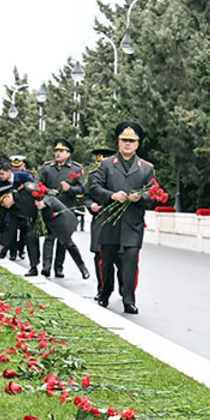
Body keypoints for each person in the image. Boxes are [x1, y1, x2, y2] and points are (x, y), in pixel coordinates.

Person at [88, 123, 155, 314]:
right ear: (118, 142)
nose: (127, 144)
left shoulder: (146, 168)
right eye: (124, 140)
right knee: (107, 262)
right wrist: (111, 195)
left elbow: (152, 193)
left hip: (133, 223)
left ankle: (129, 299)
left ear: (137, 144)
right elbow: (94, 187)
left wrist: (140, 197)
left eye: (131, 141)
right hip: (110, 221)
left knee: (130, 262)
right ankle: (105, 292)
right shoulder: (107, 164)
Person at [38, 139, 90, 279]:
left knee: (64, 240)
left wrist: (69, 189)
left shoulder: (76, 169)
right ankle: (46, 267)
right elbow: (39, 185)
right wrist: (49, 191)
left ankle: (59, 268)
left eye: (61, 151)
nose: (58, 153)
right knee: (49, 238)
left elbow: (82, 189)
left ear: (68, 153)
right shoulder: (47, 168)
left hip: (66, 210)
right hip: (50, 209)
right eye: (56, 151)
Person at [85, 147, 114, 301]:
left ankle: (125, 289)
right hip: (100, 219)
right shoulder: (93, 176)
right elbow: (86, 197)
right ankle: (102, 288)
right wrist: (91, 205)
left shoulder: (118, 175)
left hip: (116, 218)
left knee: (120, 257)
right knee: (99, 255)